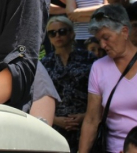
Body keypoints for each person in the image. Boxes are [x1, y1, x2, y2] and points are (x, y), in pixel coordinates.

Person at [79, 5, 137, 153]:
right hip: (116, 149)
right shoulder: (98, 68)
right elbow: (92, 119)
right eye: (99, 39)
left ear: (125, 31)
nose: (102, 45)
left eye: (106, 38)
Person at [41, 16, 96, 152]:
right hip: (56, 126)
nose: (57, 35)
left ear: (71, 33)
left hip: (87, 123)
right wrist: (55, 119)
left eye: (62, 31)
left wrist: (85, 116)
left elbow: (100, 91)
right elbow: (39, 98)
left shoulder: (89, 58)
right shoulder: (45, 63)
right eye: (52, 33)